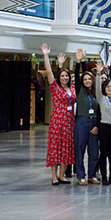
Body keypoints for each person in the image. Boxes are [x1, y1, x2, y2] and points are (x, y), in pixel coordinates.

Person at [41, 45, 74, 185]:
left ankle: (62, 175)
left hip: (69, 122)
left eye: (67, 76)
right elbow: (49, 73)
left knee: (66, 148)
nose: (65, 78)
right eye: (62, 76)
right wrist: (46, 56)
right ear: (59, 78)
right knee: (55, 148)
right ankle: (54, 177)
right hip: (57, 122)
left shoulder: (72, 89)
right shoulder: (55, 88)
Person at [72, 49, 100, 185]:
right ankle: (80, 175)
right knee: (80, 150)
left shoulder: (96, 92)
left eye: (89, 79)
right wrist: (80, 62)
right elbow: (79, 75)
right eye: (85, 79)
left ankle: (92, 175)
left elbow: (99, 111)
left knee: (94, 152)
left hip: (93, 123)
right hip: (81, 122)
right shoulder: (79, 90)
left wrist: (97, 125)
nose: (87, 81)